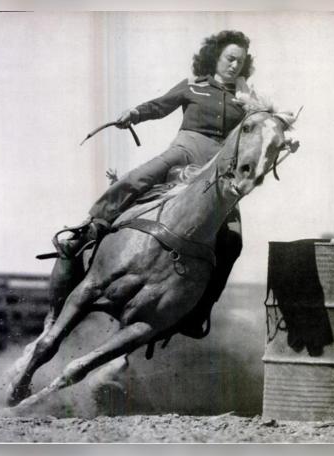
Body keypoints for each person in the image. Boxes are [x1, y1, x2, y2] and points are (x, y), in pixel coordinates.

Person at [53, 30, 257, 338]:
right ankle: (90, 228)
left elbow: (262, 130)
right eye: (230, 58)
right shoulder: (192, 86)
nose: (235, 66)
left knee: (233, 241)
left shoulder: (248, 100)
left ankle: (200, 309)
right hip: (186, 150)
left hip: (219, 171)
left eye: (240, 62)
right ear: (215, 56)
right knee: (137, 178)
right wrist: (134, 114)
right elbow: (160, 106)